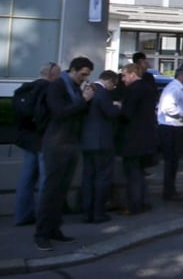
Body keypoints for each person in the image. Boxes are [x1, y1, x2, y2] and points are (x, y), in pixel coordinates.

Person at [34, 56, 95, 252]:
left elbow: (79, 113)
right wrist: (83, 100)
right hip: (56, 144)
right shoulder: (57, 86)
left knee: (61, 190)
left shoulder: (75, 87)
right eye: (83, 74)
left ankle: (54, 229)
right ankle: (41, 234)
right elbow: (59, 112)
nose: (84, 78)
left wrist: (86, 100)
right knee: (51, 190)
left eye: (87, 75)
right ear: (74, 70)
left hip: (70, 143)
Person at [13, 62, 60, 227]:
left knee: (26, 179)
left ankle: (21, 215)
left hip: (27, 139)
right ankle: (43, 218)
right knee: (46, 179)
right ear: (52, 75)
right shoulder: (49, 90)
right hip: (43, 139)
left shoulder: (26, 88)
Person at [116, 63, 159, 215]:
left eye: (124, 75)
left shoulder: (133, 90)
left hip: (132, 138)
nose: (122, 79)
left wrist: (119, 108)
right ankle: (144, 201)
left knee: (132, 173)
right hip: (146, 137)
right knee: (139, 172)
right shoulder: (148, 88)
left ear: (132, 74)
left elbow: (127, 114)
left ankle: (134, 205)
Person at [79, 70, 120, 224]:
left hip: (87, 141)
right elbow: (110, 113)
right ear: (109, 81)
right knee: (102, 177)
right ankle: (98, 212)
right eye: (113, 85)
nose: (113, 88)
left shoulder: (88, 90)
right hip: (102, 141)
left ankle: (86, 211)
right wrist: (117, 106)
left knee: (88, 177)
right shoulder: (103, 93)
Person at [157, 64, 183, 201]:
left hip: (174, 126)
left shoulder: (179, 88)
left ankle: (170, 189)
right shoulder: (174, 88)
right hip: (171, 127)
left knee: (173, 161)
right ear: (181, 75)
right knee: (171, 161)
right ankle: (168, 190)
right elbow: (168, 108)